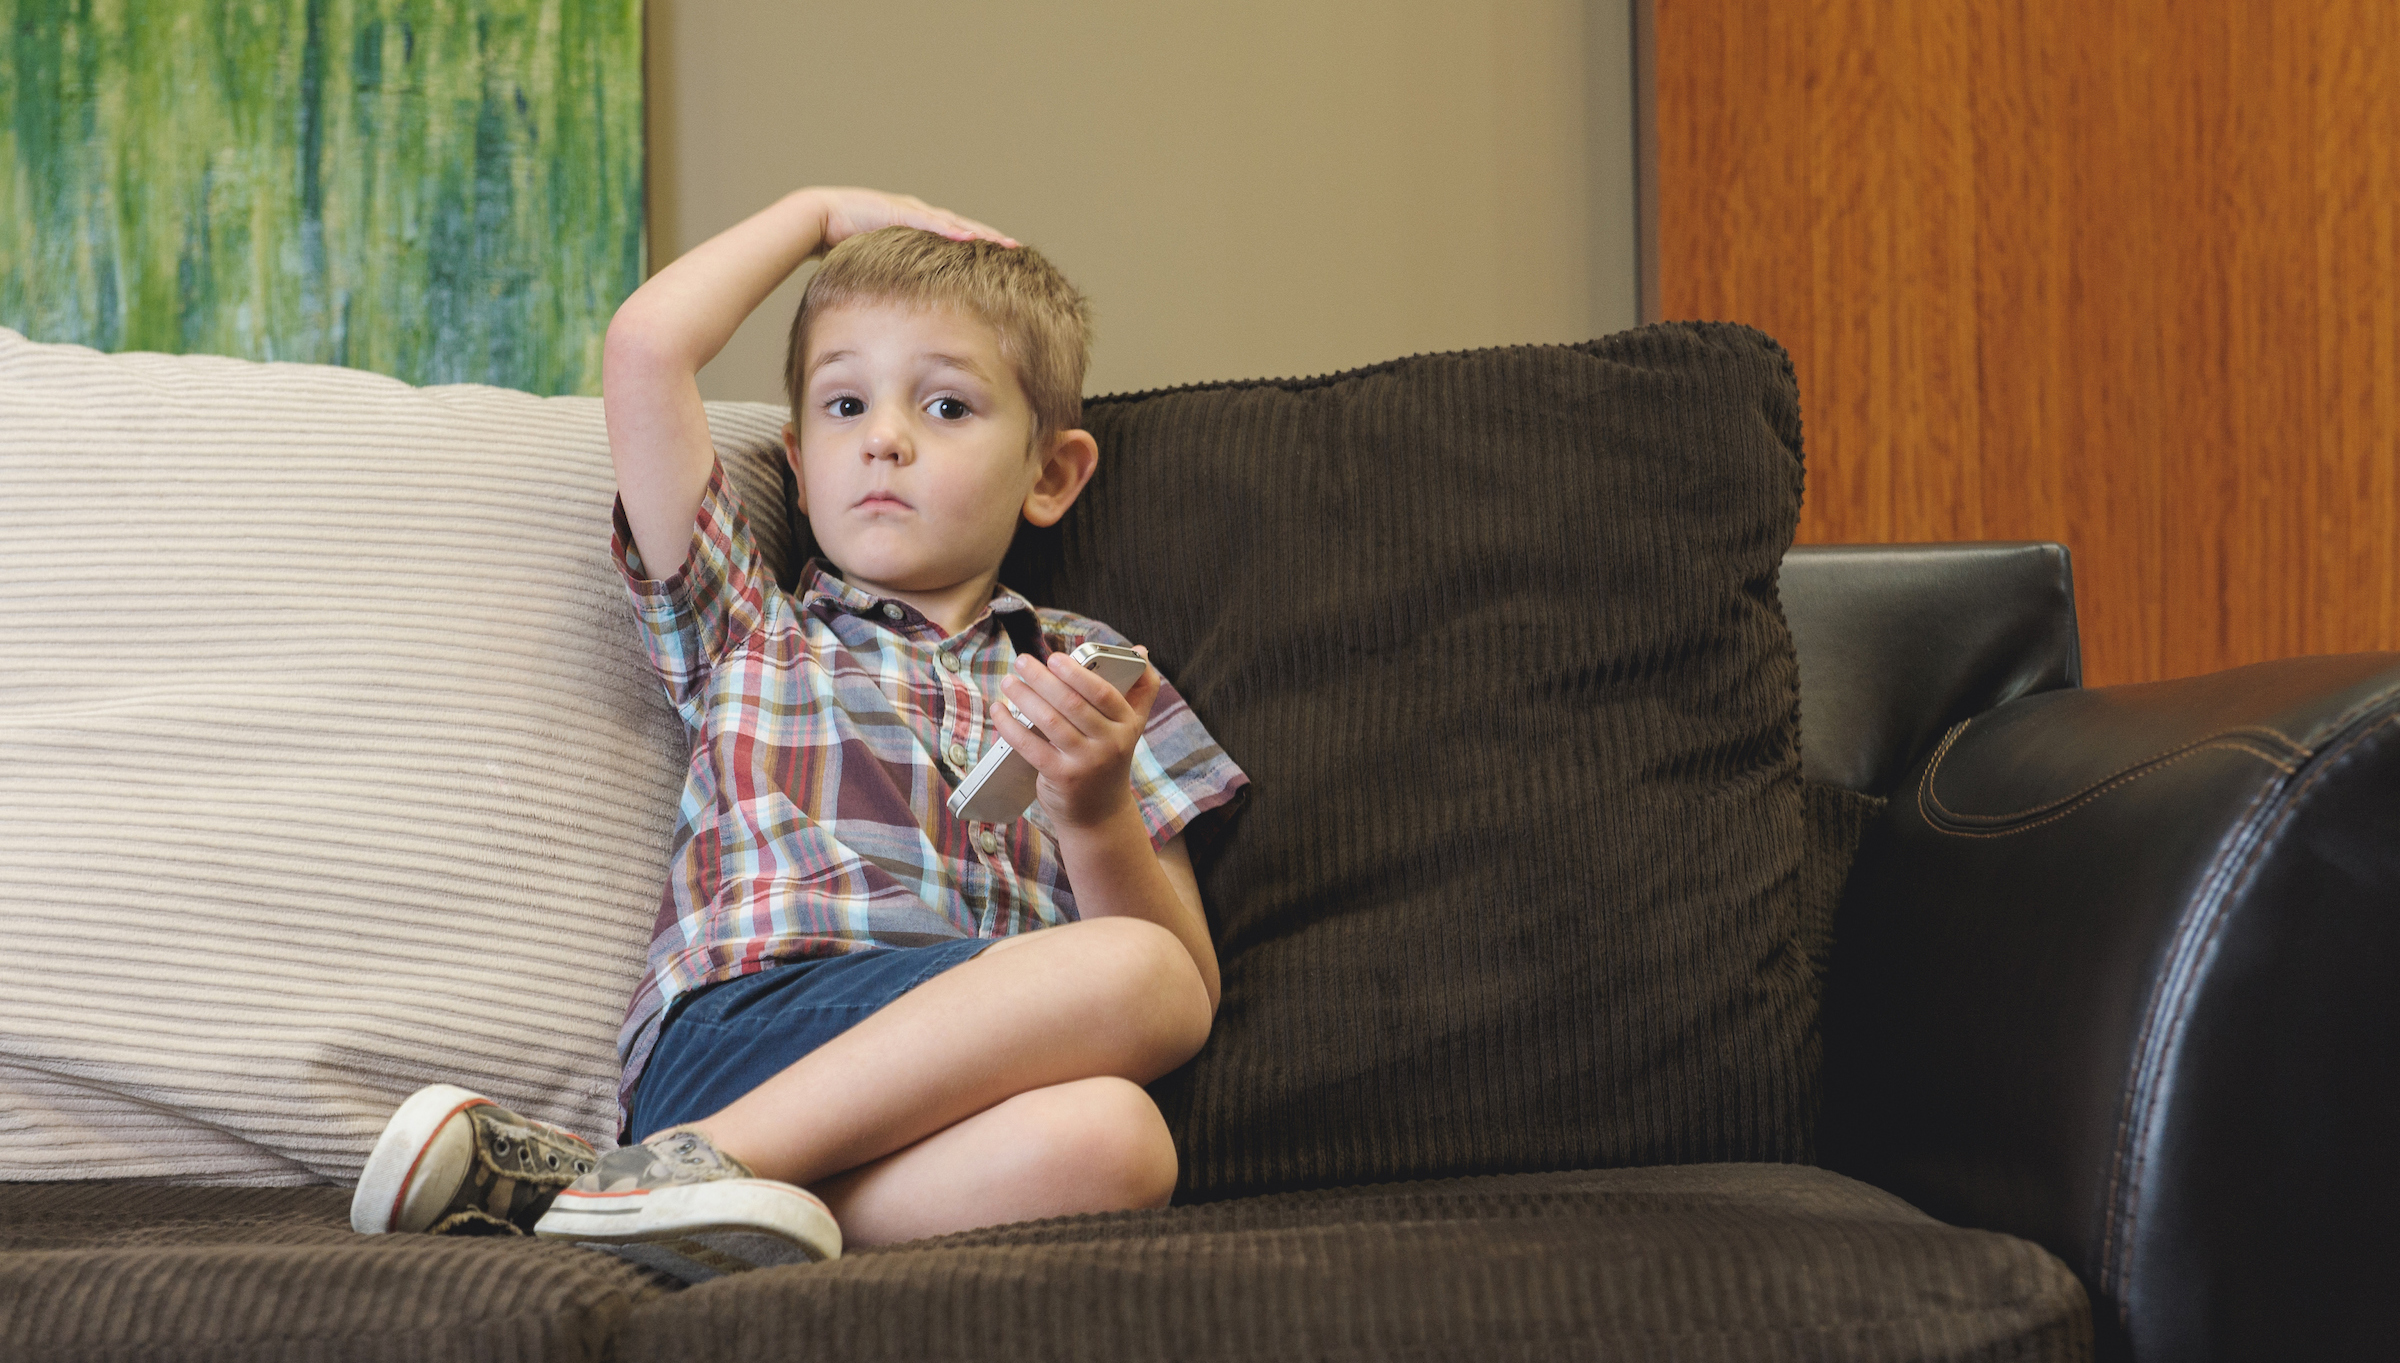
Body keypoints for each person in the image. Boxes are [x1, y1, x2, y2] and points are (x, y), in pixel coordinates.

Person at [349, 188, 1247, 1278]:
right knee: (1128, 973)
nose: (887, 442)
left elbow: (1182, 988)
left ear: (1051, 473)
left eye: (948, 408)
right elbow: (644, 348)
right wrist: (817, 212)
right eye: (845, 406)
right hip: (746, 1032)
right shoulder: (745, 625)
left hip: (950, 1091)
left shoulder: (1094, 678)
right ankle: (686, 1164)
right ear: (795, 455)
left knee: (1120, 1141)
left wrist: (1095, 808)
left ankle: (667, 1216)